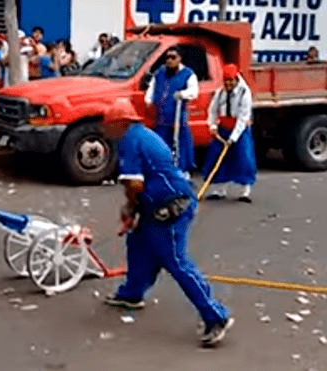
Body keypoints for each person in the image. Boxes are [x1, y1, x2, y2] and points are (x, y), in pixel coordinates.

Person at [101, 97, 234, 347]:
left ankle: (215, 316)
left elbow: (134, 184)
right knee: (139, 245)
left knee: (175, 261)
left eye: (109, 125)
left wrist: (129, 208)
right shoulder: (142, 134)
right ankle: (132, 294)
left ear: (120, 122)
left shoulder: (130, 141)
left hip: (170, 207)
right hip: (158, 203)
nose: (107, 131)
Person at [202, 64, 256, 203]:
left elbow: (243, 118)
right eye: (226, 81)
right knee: (217, 158)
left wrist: (232, 139)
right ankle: (220, 189)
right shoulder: (220, 92)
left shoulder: (245, 93)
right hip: (223, 128)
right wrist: (213, 126)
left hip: (240, 129)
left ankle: (245, 190)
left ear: (236, 79)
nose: (228, 84)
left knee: (243, 158)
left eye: (230, 81)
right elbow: (213, 110)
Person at [145, 46, 198, 177]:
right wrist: (148, 99)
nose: (169, 60)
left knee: (180, 145)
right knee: (161, 144)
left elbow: (194, 92)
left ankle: (183, 171)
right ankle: (163, 170)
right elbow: (151, 89)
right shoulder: (160, 73)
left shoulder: (188, 74)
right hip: (162, 117)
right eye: (167, 57)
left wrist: (182, 94)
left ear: (179, 59)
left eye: (173, 57)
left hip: (178, 118)